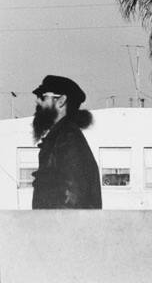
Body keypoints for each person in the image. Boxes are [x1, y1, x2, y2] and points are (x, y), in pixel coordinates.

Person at [31, 75, 102, 209]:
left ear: (61, 101)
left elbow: (73, 202)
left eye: (42, 97)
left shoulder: (68, 139)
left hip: (61, 228)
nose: (37, 102)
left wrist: (48, 228)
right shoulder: (60, 137)